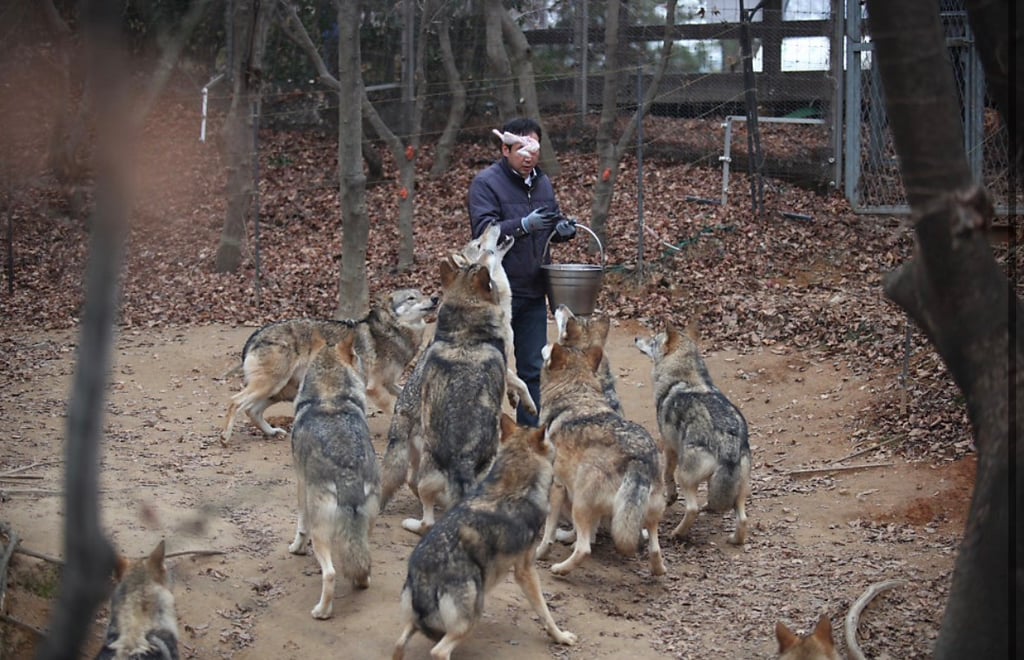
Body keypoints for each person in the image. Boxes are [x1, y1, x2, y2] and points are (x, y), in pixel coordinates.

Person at [467, 118, 576, 426]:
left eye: (534, 150)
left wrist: (562, 229)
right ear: (505, 149)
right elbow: (483, 233)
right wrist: (523, 226)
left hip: (532, 289)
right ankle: (479, 435)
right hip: (494, 295)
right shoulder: (486, 184)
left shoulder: (542, 182)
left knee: (533, 369)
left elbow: (550, 221)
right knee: (488, 369)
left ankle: (528, 440)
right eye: (521, 150)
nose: (529, 157)